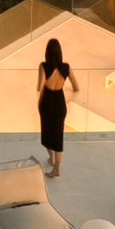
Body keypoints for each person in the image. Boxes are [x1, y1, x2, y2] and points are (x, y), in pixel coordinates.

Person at [36, 37, 79, 178]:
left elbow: (39, 87)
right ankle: (56, 167)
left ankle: (52, 158)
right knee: (58, 136)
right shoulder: (66, 67)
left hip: (47, 103)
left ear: (47, 52)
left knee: (47, 133)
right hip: (59, 103)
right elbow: (76, 86)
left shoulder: (43, 66)